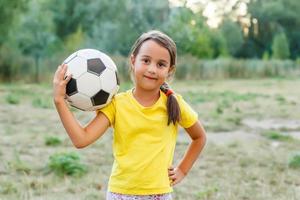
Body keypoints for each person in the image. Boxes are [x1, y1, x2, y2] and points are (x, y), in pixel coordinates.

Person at [53, 30, 206, 200]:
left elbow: (199, 137)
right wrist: (59, 100)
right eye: (146, 60)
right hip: (120, 194)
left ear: (170, 70)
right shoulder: (116, 104)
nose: (152, 69)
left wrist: (183, 170)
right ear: (133, 61)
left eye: (161, 64)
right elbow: (81, 139)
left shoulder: (174, 103)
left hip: (160, 194)